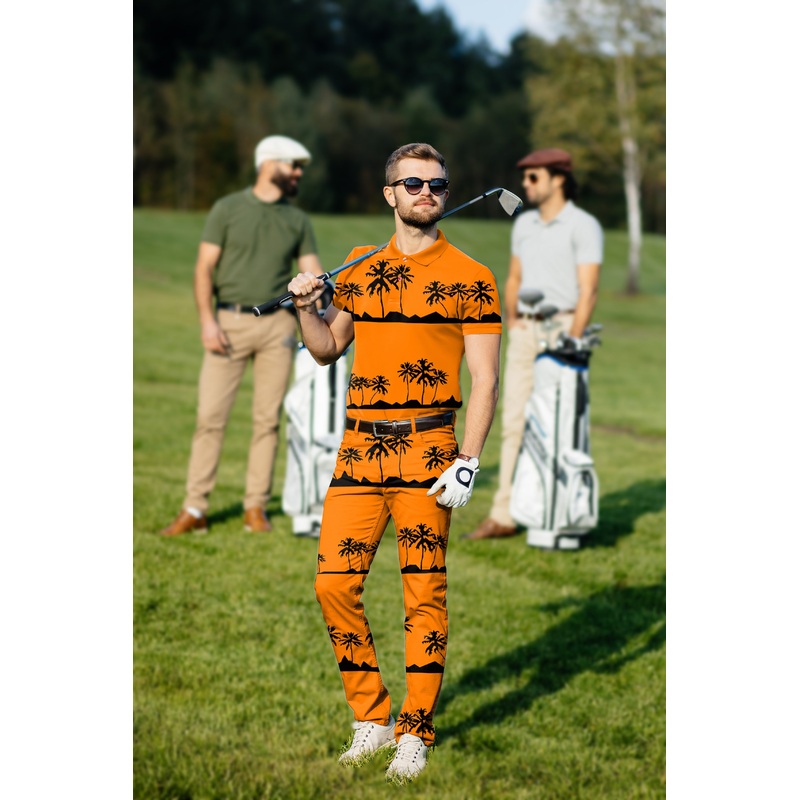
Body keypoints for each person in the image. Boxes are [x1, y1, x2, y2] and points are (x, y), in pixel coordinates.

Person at [286, 143, 501, 782]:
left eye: (436, 183)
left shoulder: (472, 276)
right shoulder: (359, 269)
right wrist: (305, 305)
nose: (426, 192)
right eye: (412, 183)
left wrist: (469, 459)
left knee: (422, 592)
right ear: (391, 195)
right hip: (359, 447)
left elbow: (486, 380)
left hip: (431, 448)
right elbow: (325, 349)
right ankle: (371, 717)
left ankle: (415, 730)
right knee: (333, 584)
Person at [160, 135, 324, 537]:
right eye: (293, 165)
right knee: (209, 419)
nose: (299, 173)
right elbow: (204, 269)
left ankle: (255, 508)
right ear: (269, 164)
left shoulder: (297, 219)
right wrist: (207, 322)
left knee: (267, 420)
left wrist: (323, 302)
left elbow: (314, 272)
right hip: (228, 323)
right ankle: (195, 507)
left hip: (278, 328)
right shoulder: (227, 209)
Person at [464, 147, 603, 540]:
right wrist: (514, 322)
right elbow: (513, 278)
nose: (525, 185)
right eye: (524, 177)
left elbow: (588, 290)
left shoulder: (583, 225)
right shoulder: (523, 225)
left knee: (557, 425)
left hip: (562, 331)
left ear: (559, 178)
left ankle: (555, 513)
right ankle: (504, 513)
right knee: (512, 423)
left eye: (534, 177)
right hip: (525, 331)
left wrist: (572, 341)